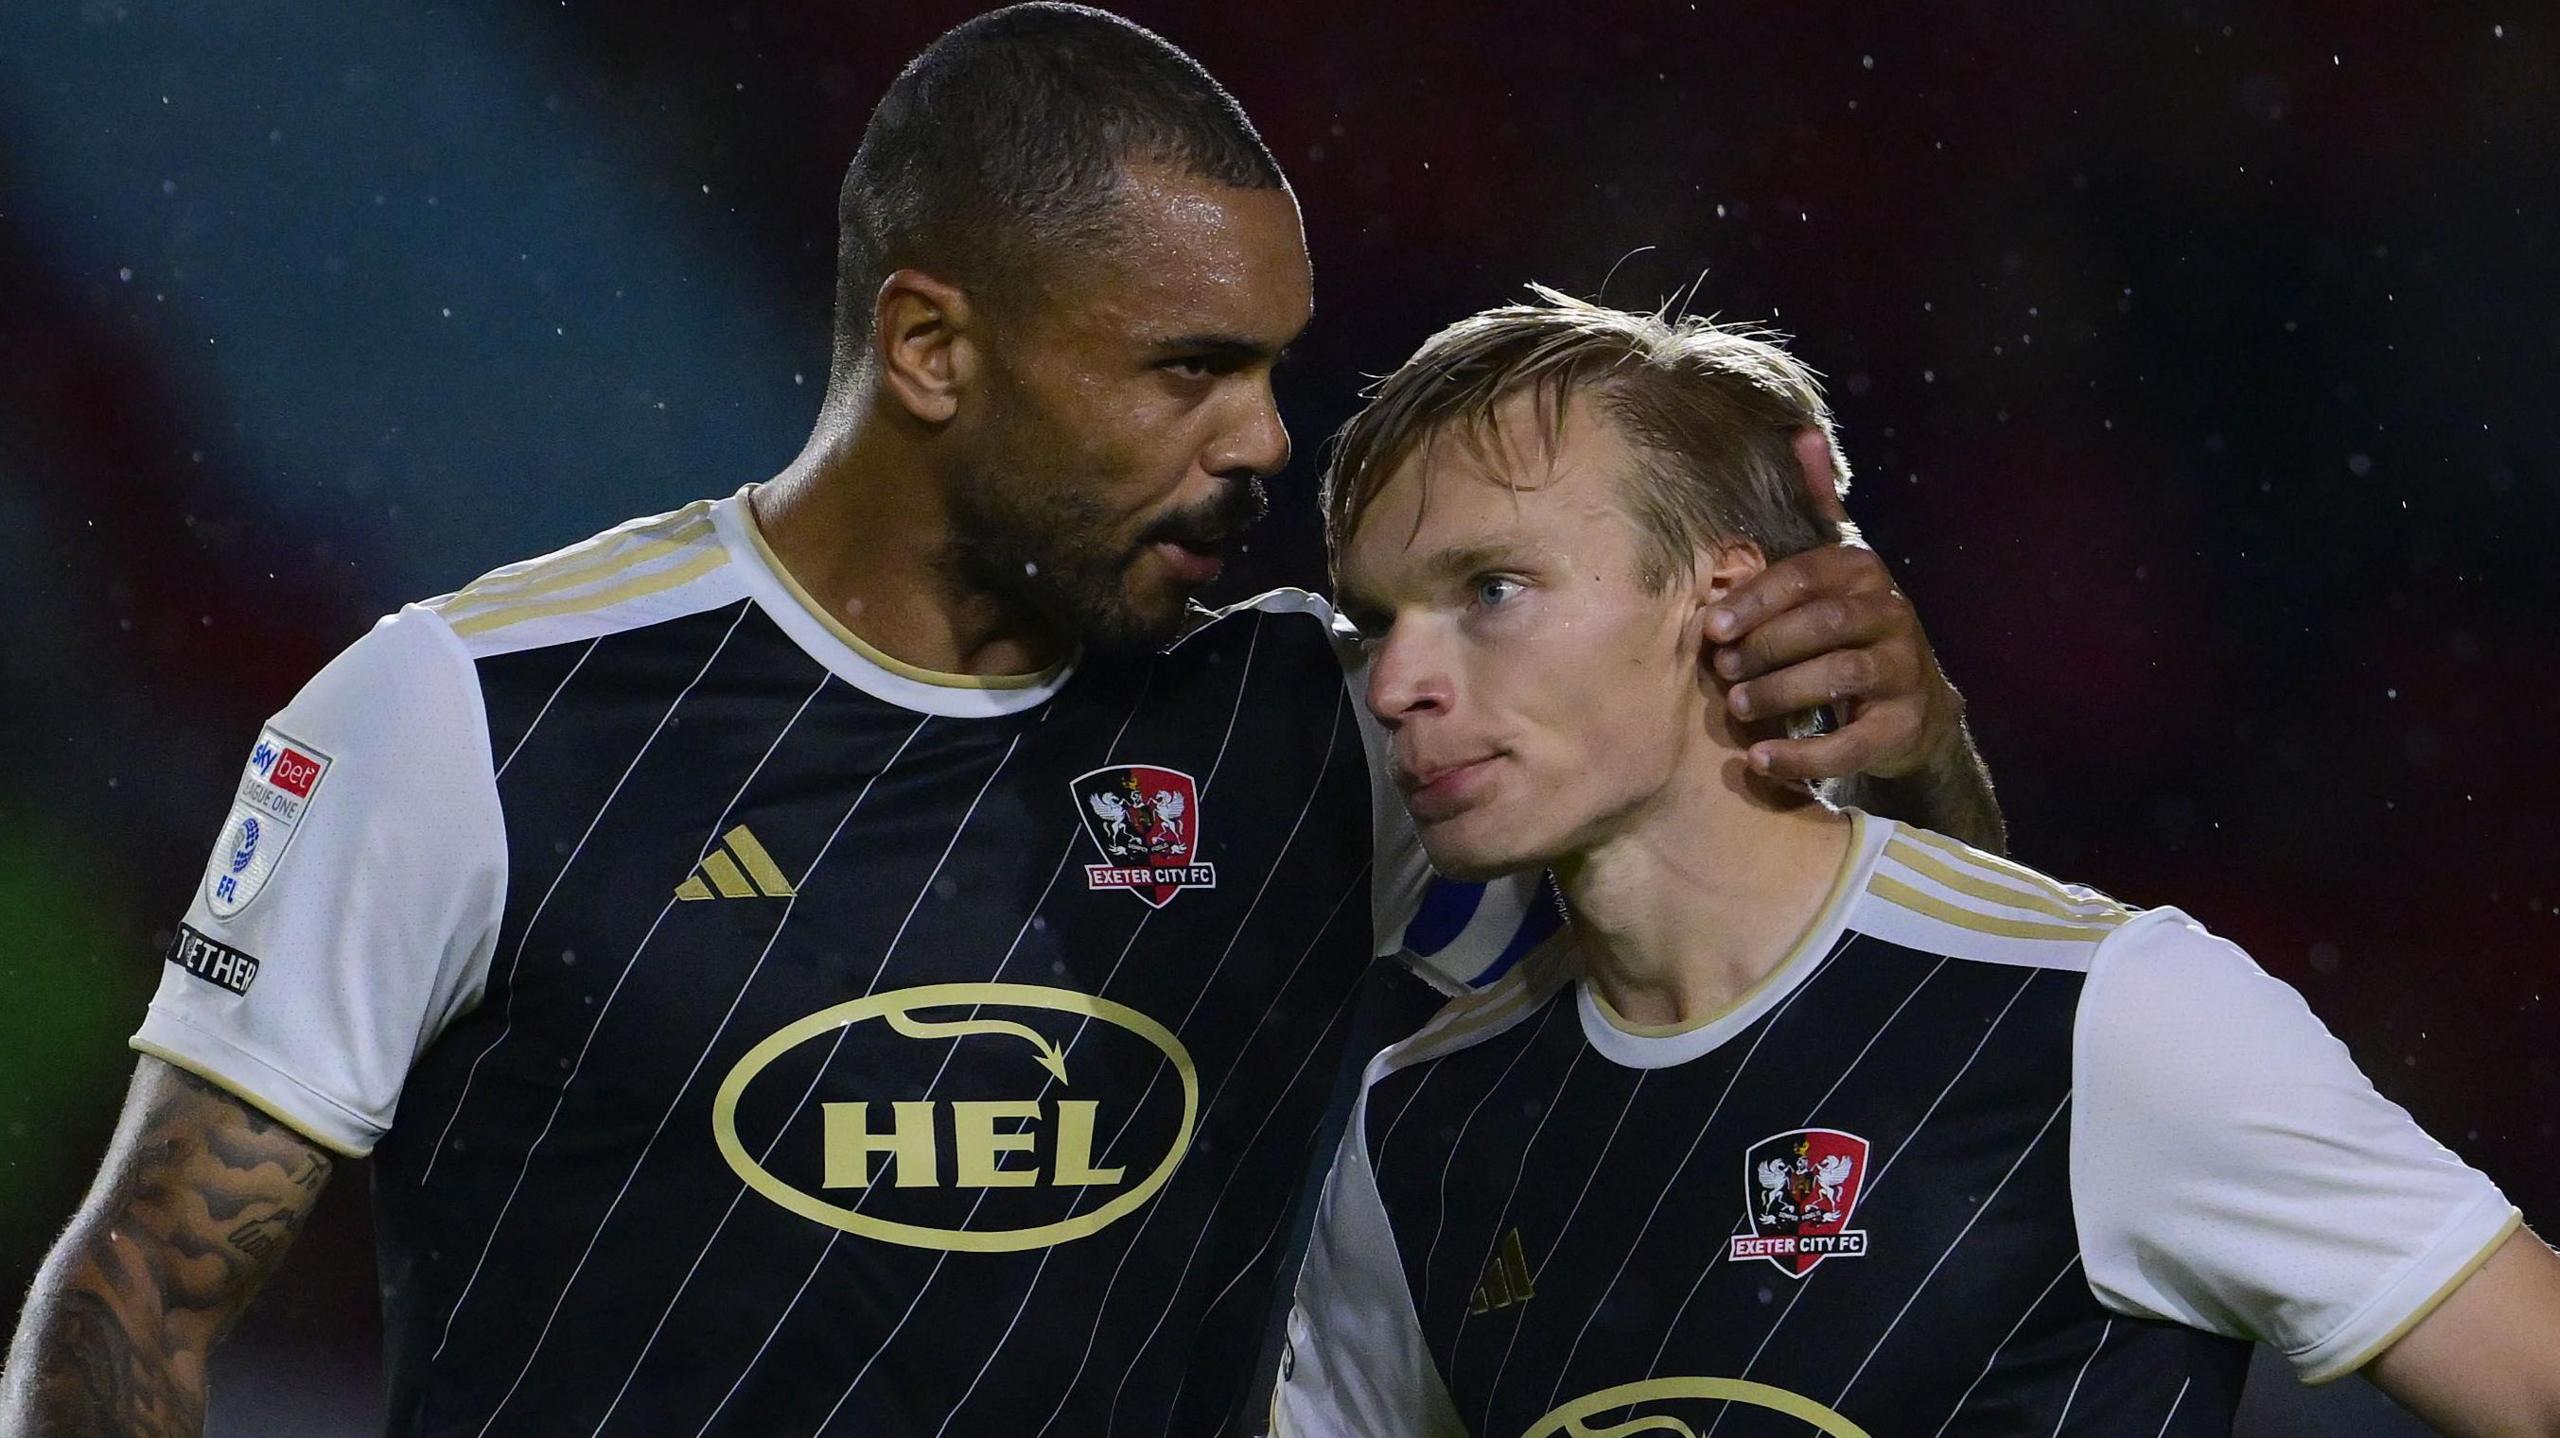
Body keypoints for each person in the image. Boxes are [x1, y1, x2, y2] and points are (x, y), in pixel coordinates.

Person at [0, 10, 1997, 1438]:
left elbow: (1890, 1028)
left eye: (1271, 370)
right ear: (931, 347)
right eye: (1183, 371)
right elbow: (133, 1299)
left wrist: (1888, 740)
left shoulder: (1323, 725)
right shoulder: (465, 717)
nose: (1260, 443)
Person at [1275, 290, 2560, 1437]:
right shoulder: (1420, 1123)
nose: (1395, 682)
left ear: (1720, 594)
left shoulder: (2104, 1016)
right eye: (1379, 620)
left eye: (1491, 589)